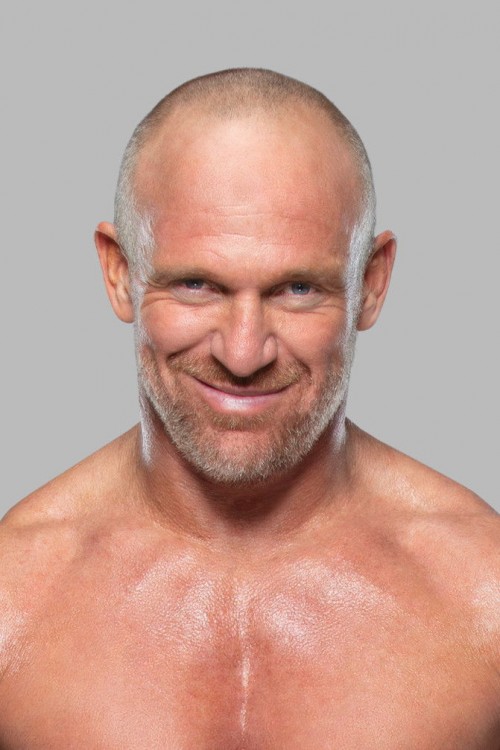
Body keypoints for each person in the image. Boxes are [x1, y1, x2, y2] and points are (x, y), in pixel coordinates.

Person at [0, 68, 498, 749]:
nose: (242, 353)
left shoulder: (484, 598)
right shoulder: (14, 604)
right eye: (196, 284)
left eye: (297, 289)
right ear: (120, 273)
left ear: (371, 284)